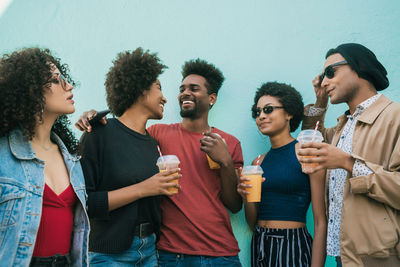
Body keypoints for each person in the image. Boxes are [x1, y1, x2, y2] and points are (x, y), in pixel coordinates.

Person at [76, 59, 244, 267]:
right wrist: (91, 115)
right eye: (181, 88)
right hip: (165, 254)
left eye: (194, 88)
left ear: (212, 98)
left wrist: (226, 162)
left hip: (206, 253)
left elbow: (235, 205)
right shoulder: (156, 135)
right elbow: (124, 132)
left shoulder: (227, 143)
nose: (182, 93)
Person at [298, 43, 400, 267]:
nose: (324, 82)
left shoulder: (395, 116)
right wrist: (320, 103)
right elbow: (311, 136)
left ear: (358, 67)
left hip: (380, 258)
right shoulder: (343, 125)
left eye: (330, 73)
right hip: (343, 256)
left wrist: (347, 162)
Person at [79, 48, 181, 266]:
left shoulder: (153, 143)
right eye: (159, 88)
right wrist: (146, 188)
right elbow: (84, 203)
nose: (164, 97)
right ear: (140, 88)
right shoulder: (99, 132)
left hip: (150, 250)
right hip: (109, 255)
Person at [0, 47, 89, 266]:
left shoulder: (71, 158)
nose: (69, 86)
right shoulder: (3, 156)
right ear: (30, 90)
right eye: (56, 79)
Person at [237, 82, 327, 267]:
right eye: (257, 112)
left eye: (268, 109)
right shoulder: (257, 163)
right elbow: (252, 222)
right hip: (260, 243)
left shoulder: (307, 154)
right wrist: (246, 196)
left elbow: (320, 223)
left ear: (289, 113)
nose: (261, 116)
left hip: (293, 244)